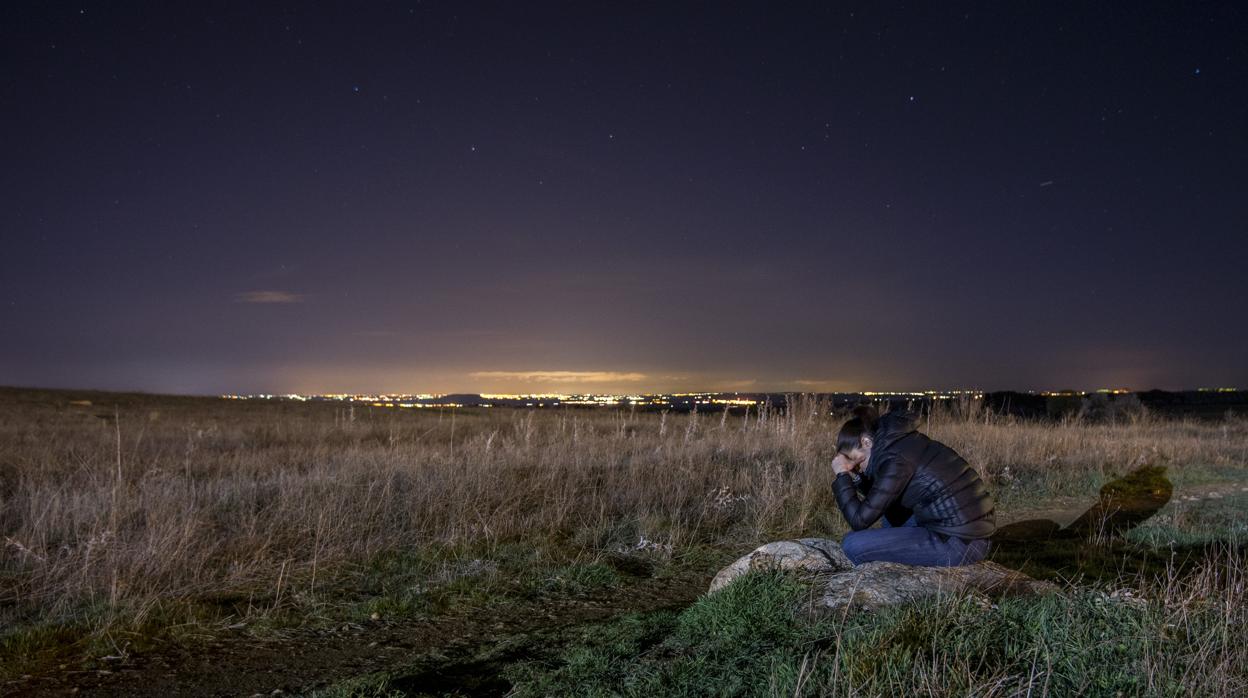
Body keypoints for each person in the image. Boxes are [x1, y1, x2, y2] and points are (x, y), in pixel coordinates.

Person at [830, 404, 996, 566]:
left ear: (866, 442)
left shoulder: (895, 460)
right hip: (967, 532)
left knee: (852, 545)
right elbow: (880, 499)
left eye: (855, 461)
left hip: (961, 543)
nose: (857, 468)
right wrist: (856, 477)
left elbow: (859, 521)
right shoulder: (896, 444)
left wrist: (842, 474)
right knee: (891, 516)